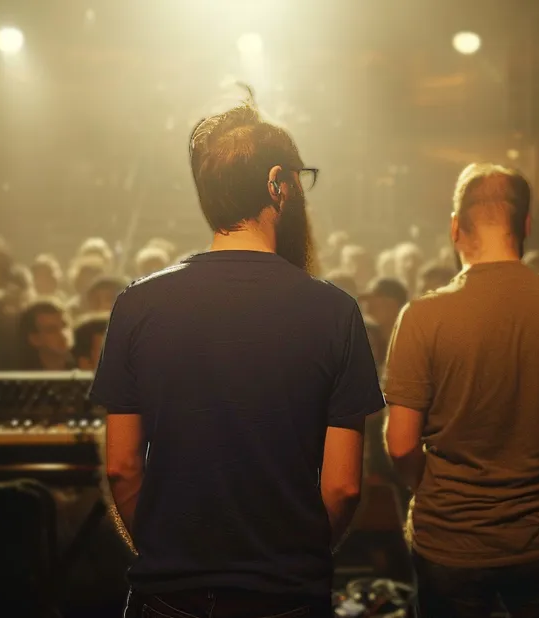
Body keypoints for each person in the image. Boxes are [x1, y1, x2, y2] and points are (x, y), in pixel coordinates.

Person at [92, 100, 385, 618]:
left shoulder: (136, 305)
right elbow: (342, 485)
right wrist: (295, 560)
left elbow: (121, 467)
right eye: (299, 179)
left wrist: (169, 557)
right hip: (286, 595)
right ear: (277, 185)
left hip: (168, 594)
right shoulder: (335, 313)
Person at [383, 163, 539, 618]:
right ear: (526, 226)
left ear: (454, 229)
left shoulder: (423, 317)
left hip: (451, 542)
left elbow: (401, 443)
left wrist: (430, 491)